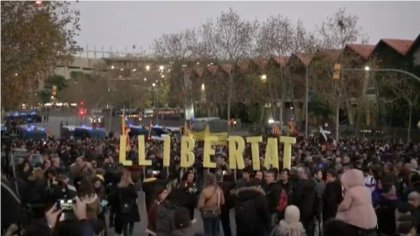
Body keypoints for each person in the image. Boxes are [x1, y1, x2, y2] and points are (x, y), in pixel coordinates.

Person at [336, 169, 378, 236]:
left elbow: (345, 206)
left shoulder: (351, 191)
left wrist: (338, 208)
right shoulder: (366, 189)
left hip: (358, 221)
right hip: (371, 218)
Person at [110, 169, 140, 236]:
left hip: (122, 206)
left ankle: (125, 234)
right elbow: (135, 195)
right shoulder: (131, 186)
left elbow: (116, 196)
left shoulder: (119, 186)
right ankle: (130, 233)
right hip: (131, 206)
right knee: (132, 221)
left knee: (125, 222)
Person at [292, 167, 318, 236]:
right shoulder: (314, 183)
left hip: (301, 212)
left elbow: (296, 198)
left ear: (305, 174)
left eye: (300, 173)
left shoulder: (300, 184)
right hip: (311, 213)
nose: (298, 174)